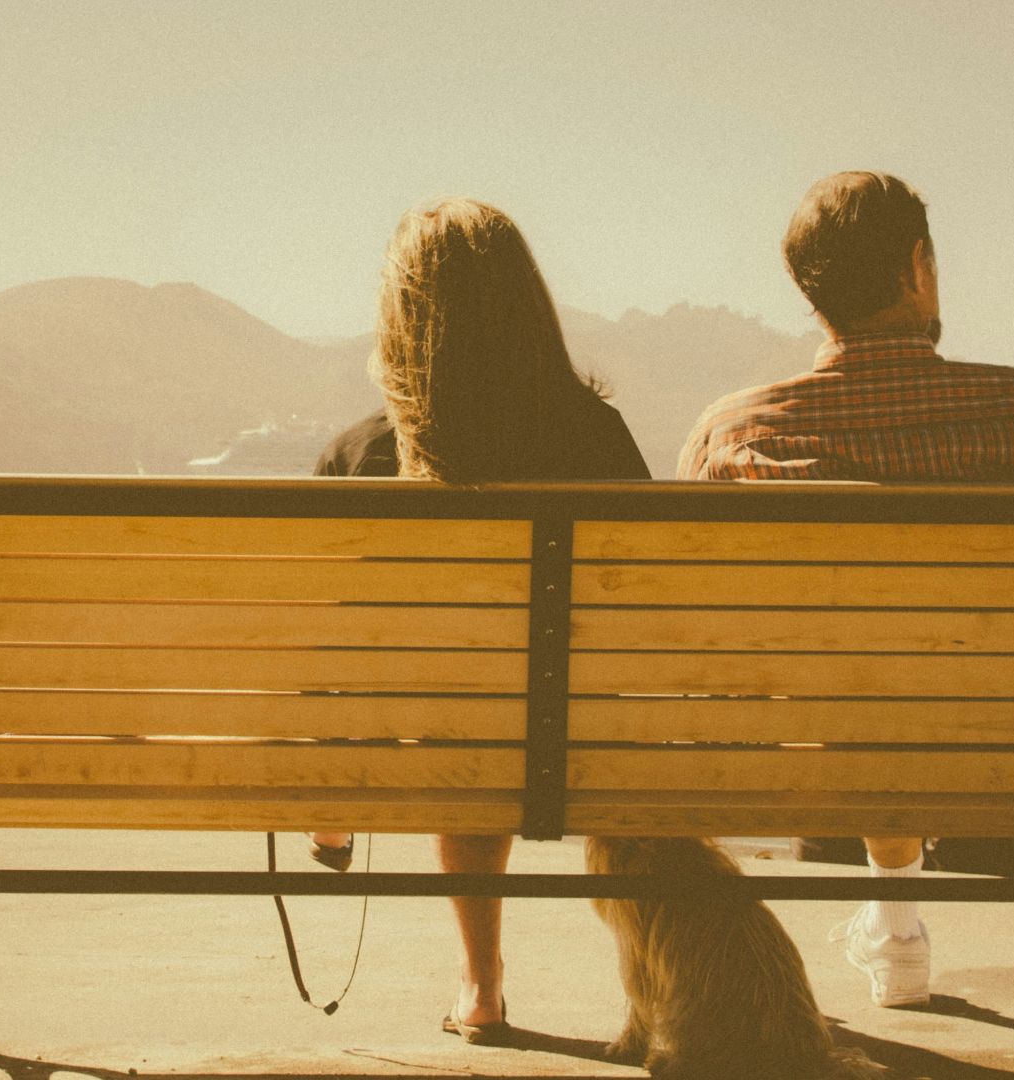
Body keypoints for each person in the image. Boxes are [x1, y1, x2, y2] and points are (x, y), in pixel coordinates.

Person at [677, 171, 1014, 1009]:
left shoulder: (733, 435)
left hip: (821, 789)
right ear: (918, 267)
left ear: (811, 295)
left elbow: (684, 630)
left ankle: (891, 910)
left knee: (849, 721)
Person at [311, 198, 651, 1041]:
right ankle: (657, 985)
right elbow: (641, 608)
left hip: (441, 736)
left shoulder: (362, 456)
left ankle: (480, 982)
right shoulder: (597, 436)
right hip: (588, 734)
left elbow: (326, 637)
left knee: (458, 723)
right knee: (503, 709)